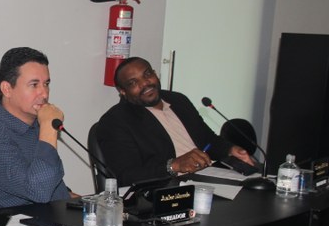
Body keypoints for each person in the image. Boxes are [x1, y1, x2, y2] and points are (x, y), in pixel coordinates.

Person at [96, 56, 255, 186]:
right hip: (166, 191)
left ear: (155, 74)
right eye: (133, 83)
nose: (145, 83)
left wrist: (230, 149)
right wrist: (174, 166)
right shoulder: (116, 122)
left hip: (209, 178)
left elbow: (208, 140)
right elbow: (126, 176)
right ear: (123, 92)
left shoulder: (178, 100)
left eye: (147, 74)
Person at [0, 47, 74, 208]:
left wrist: (69, 196)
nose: (44, 93)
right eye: (34, 85)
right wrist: (48, 128)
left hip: (55, 214)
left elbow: (47, 178)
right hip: (22, 221)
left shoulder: (35, 121)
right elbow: (39, 192)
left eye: (46, 84)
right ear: (7, 89)